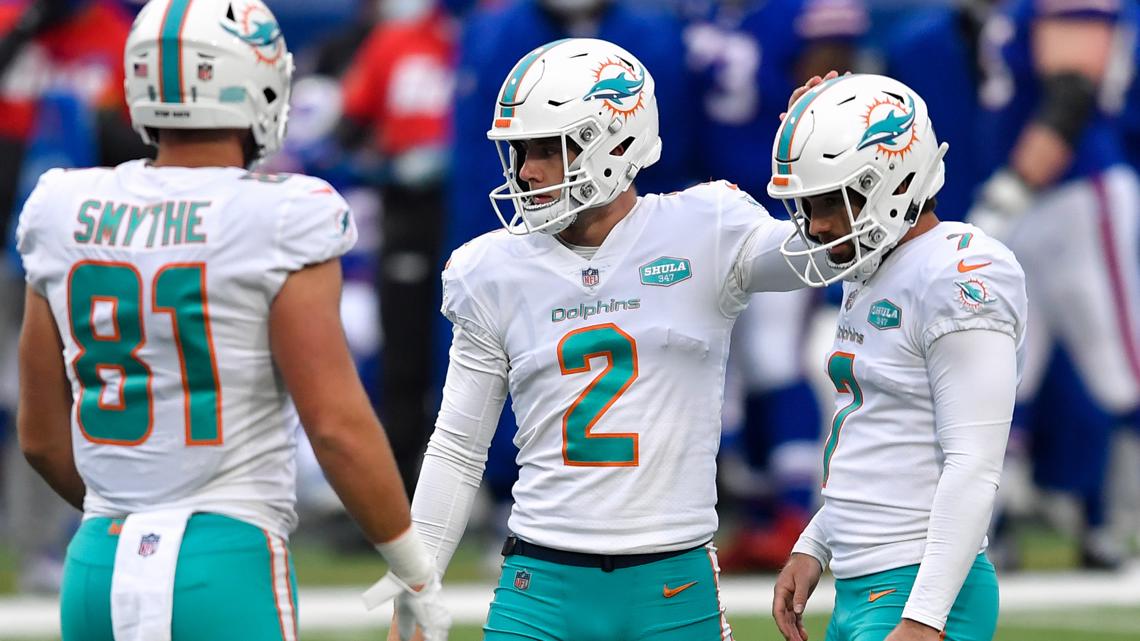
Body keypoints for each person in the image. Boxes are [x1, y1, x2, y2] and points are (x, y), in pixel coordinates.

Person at [13, 1, 449, 640]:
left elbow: (41, 438)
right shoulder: (280, 215)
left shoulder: (61, 206)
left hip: (97, 563)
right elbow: (335, 428)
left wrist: (133, 514)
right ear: (258, 83)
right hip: (220, 561)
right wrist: (414, 571)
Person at [398, 37, 818, 641]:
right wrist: (416, 594)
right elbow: (458, 448)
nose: (525, 171)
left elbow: (826, 257)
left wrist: (820, 166)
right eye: (519, 151)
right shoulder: (491, 269)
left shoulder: (705, 227)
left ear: (616, 144)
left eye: (548, 148)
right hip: (537, 586)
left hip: (672, 585)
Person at [768, 73, 1027, 641]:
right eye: (807, 204)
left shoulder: (959, 271)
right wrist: (816, 542)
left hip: (921, 589)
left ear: (889, 180)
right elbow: (874, 435)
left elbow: (974, 463)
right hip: (868, 584)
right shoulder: (874, 268)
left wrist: (925, 617)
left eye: (829, 200)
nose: (817, 224)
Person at [681, 0, 868, 572]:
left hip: (785, 209)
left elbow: (835, 85)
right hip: (712, 208)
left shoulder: (804, 10)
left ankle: (795, 511)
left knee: (775, 360)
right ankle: (763, 512)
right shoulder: (700, 16)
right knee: (737, 368)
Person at [966, 0, 1140, 569]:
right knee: (1006, 373)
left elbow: (1071, 92)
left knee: (1124, 367)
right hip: (1032, 200)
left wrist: (1012, 189)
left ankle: (1109, 523)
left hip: (1073, 193)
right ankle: (999, 525)